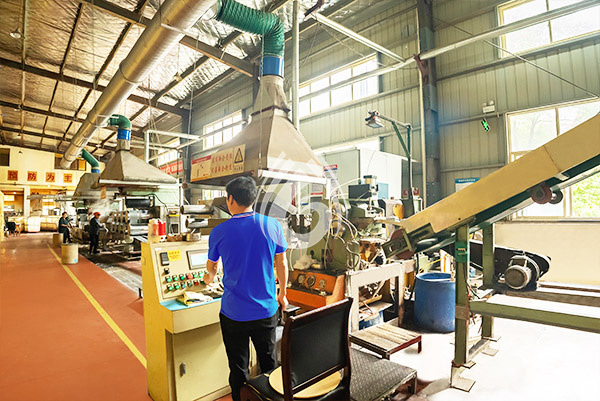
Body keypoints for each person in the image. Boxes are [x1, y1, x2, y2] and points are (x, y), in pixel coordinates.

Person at [205, 177, 289, 401]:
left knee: (238, 369)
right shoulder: (272, 225)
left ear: (231, 199)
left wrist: (207, 279)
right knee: (269, 364)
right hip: (266, 311)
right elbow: (282, 263)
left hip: (234, 314)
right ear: (253, 198)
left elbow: (211, 270)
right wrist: (282, 294)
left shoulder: (219, 232)